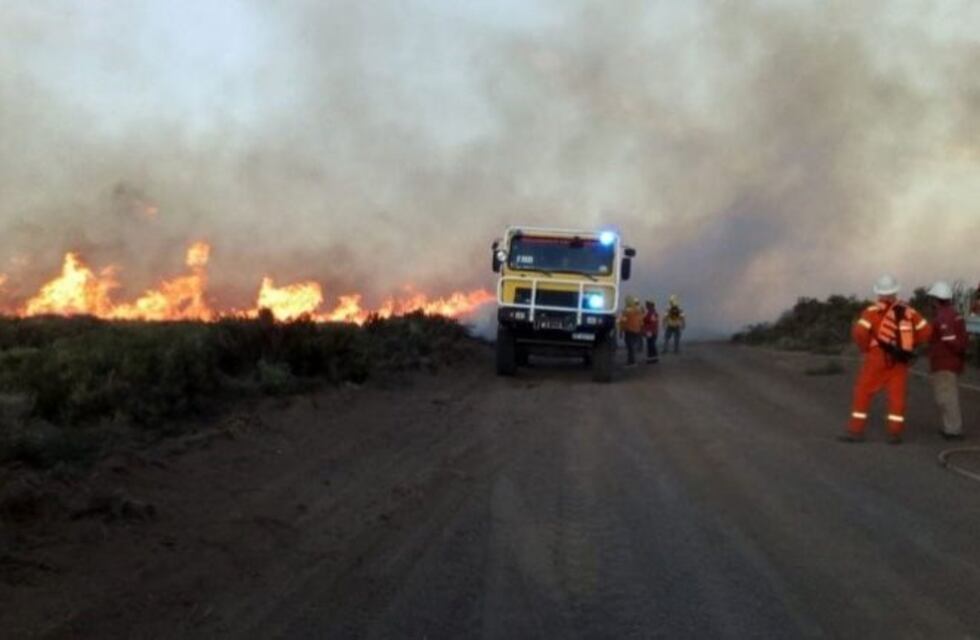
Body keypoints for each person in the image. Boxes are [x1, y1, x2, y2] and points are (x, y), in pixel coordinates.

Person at [840, 274, 931, 444]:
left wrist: (866, 348)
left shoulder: (872, 312)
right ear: (895, 291)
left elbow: (860, 333)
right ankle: (894, 433)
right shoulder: (909, 312)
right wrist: (908, 346)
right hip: (900, 359)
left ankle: (855, 430)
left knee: (863, 392)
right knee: (897, 396)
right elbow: (926, 332)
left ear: (879, 293)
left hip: (876, 358)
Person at [927, 281, 968, 440]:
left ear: (936, 299)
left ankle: (953, 430)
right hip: (952, 361)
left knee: (946, 397)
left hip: (944, 362)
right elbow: (961, 340)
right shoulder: (955, 314)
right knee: (947, 395)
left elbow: (950, 340)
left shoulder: (943, 317)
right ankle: (951, 427)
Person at [618, 296, 645, 367]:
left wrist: (621, 331)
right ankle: (632, 361)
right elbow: (641, 321)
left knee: (630, 347)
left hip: (629, 331)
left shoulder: (626, 311)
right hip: (637, 330)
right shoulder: (638, 310)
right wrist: (641, 329)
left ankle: (631, 362)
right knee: (632, 346)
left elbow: (622, 322)